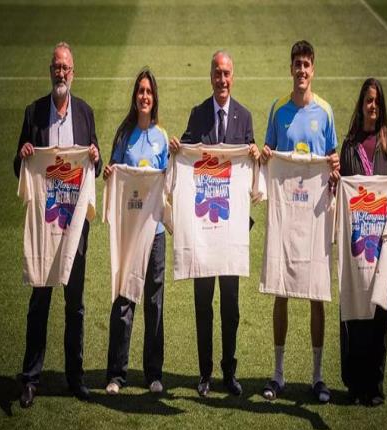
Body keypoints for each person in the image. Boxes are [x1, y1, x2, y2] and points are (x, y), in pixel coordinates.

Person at [14, 41, 102, 408]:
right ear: (50, 71)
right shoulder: (34, 113)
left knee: (75, 304)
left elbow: (96, 164)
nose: (60, 73)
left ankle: (75, 377)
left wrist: (94, 156)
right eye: (56, 67)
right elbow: (18, 168)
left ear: (73, 73)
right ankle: (30, 377)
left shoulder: (85, 113)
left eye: (65, 67)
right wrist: (23, 155)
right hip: (45, 226)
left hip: (75, 227)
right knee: (40, 300)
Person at [169, 50, 259, 397]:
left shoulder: (244, 117)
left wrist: (255, 155)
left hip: (232, 230)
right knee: (203, 304)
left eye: (227, 74)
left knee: (231, 307)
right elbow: (186, 156)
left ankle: (229, 372)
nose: (222, 80)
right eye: (217, 73)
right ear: (210, 76)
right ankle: (205, 374)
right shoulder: (198, 114)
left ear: (233, 77)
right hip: (204, 230)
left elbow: (251, 172)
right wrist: (177, 148)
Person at [260, 40, 339, 403]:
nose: (302, 71)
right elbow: (268, 155)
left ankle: (317, 377)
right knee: (281, 289)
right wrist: (265, 155)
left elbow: (333, 159)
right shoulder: (278, 110)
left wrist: (334, 167)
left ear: (313, 69)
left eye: (307, 64)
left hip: (315, 216)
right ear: (290, 68)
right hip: (285, 213)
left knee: (316, 293)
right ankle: (278, 375)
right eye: (297, 64)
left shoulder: (325, 111)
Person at [338, 77, 387, 406]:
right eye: (368, 100)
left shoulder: (386, 145)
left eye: (377, 101)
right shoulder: (349, 145)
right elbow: (340, 193)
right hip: (357, 244)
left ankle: (374, 385)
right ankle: (354, 385)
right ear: (361, 104)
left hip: (380, 246)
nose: (372, 106)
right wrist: (334, 182)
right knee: (355, 313)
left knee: (381, 310)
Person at [103, 68, 168, 395]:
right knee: (125, 297)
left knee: (154, 302)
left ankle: (153, 373)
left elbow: (169, 180)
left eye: (149, 91)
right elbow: (113, 173)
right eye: (140, 91)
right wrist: (109, 173)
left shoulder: (162, 137)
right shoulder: (123, 135)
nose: (144, 96)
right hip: (130, 230)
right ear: (135, 96)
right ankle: (117, 374)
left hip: (155, 232)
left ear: (154, 98)